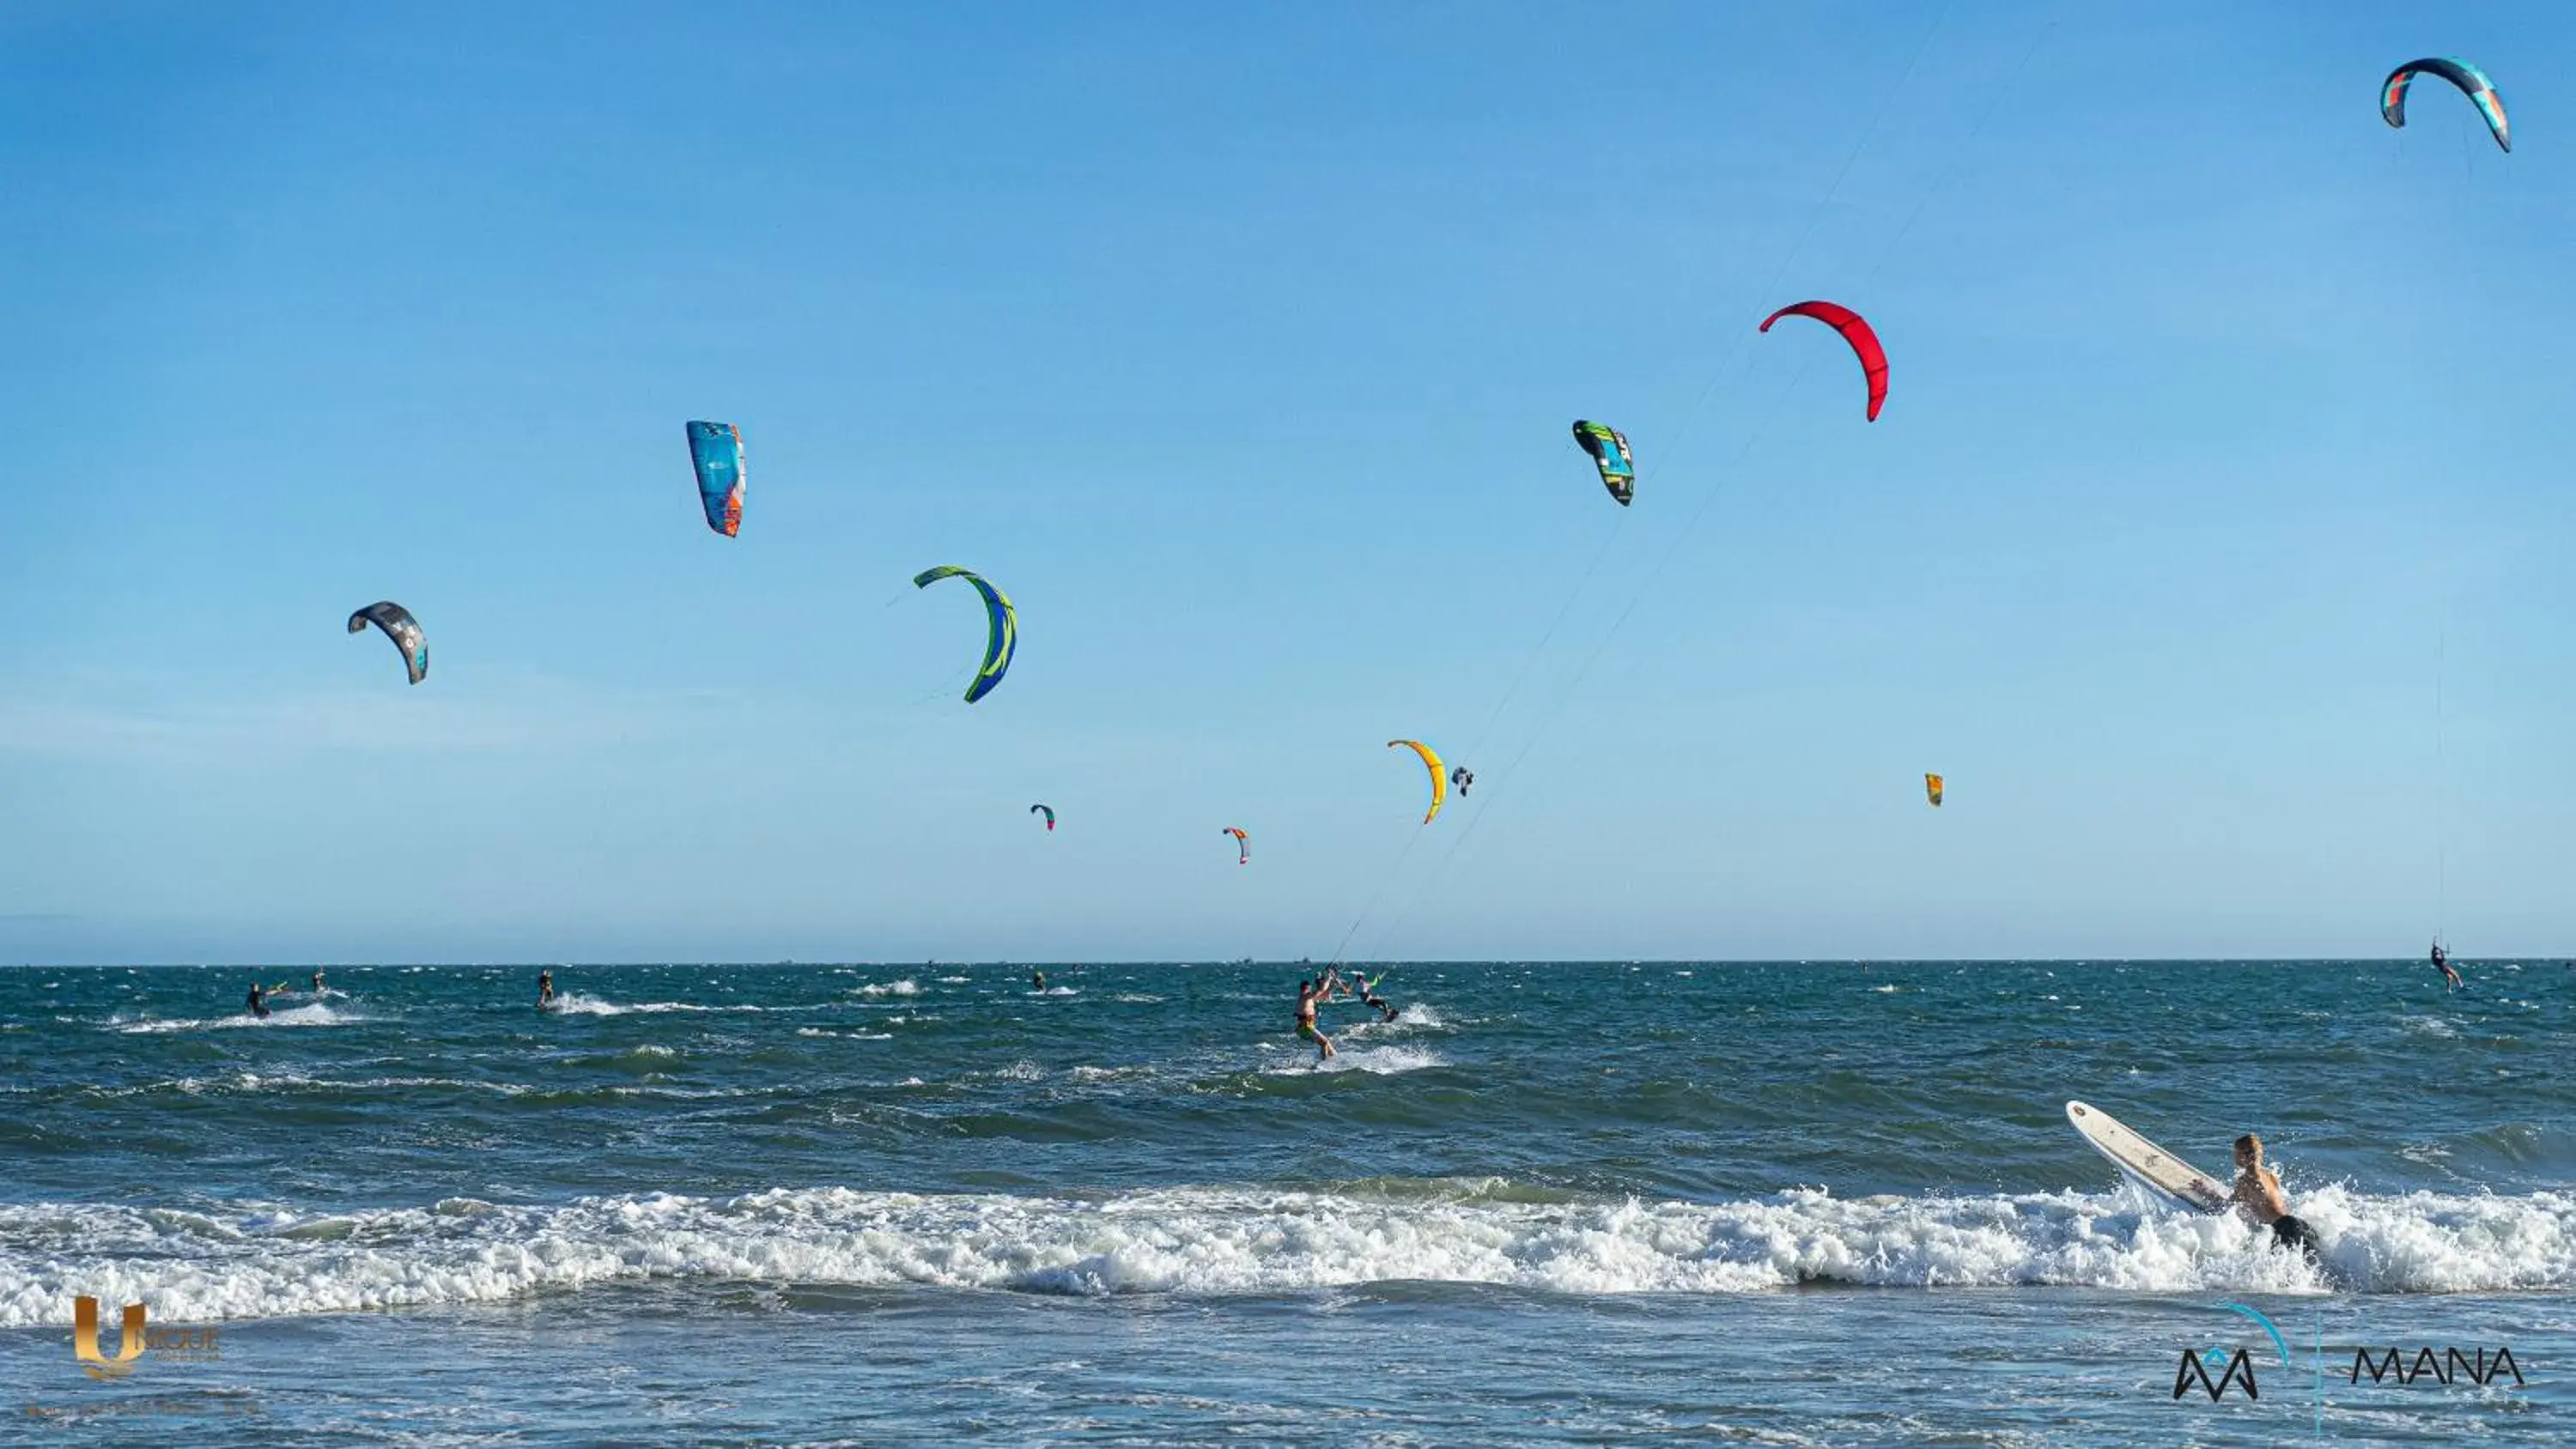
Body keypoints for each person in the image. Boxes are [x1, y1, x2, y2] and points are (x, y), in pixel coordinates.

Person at [2231, 1133, 2318, 1258]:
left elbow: (2228, 1205)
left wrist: (2206, 1191)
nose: (2234, 1157)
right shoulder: (2271, 1176)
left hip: (2284, 1228)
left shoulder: (2245, 1181)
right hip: (2298, 1223)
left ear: (2244, 1156)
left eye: (2235, 1153)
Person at [1295, 973, 1336, 1061]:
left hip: (1305, 1028)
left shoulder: (1306, 998)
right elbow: (1321, 989)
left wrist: (1332, 986)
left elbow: (1323, 995)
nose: (1311, 990)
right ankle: (1323, 1065)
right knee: (1324, 1042)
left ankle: (1334, 1059)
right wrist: (1328, 978)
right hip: (1305, 1028)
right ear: (1307, 988)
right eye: (1310, 989)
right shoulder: (1306, 996)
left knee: (1328, 1045)